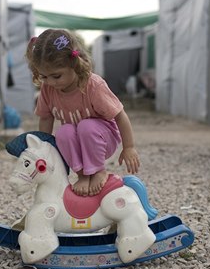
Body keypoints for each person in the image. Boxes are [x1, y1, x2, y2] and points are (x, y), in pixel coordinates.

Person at [26, 29, 140, 197]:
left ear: (74, 64)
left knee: (86, 126)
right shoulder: (48, 89)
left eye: (56, 76)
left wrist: (129, 147)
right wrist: (44, 149)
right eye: (44, 77)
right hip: (77, 141)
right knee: (64, 131)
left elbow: (120, 115)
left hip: (103, 138)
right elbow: (46, 118)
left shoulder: (93, 85)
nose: (50, 82)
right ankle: (83, 175)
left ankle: (98, 171)